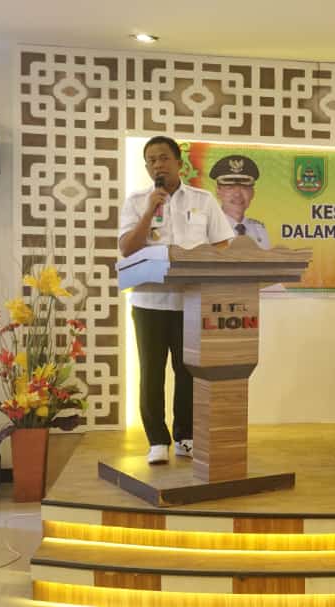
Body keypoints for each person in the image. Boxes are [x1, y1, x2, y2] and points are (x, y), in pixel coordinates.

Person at [119, 136, 236, 465]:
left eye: (163, 158)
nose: (158, 165)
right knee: (151, 372)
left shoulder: (203, 200)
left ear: (178, 163)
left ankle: (185, 435)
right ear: (147, 167)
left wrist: (203, 262)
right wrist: (149, 210)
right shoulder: (136, 201)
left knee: (188, 373)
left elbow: (223, 244)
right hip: (150, 302)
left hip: (192, 302)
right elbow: (127, 248)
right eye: (151, 160)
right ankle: (157, 440)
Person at [210, 154, 272, 249]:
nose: (237, 194)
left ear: (252, 193)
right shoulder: (209, 228)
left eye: (244, 187)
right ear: (218, 191)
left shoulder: (259, 230)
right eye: (230, 187)